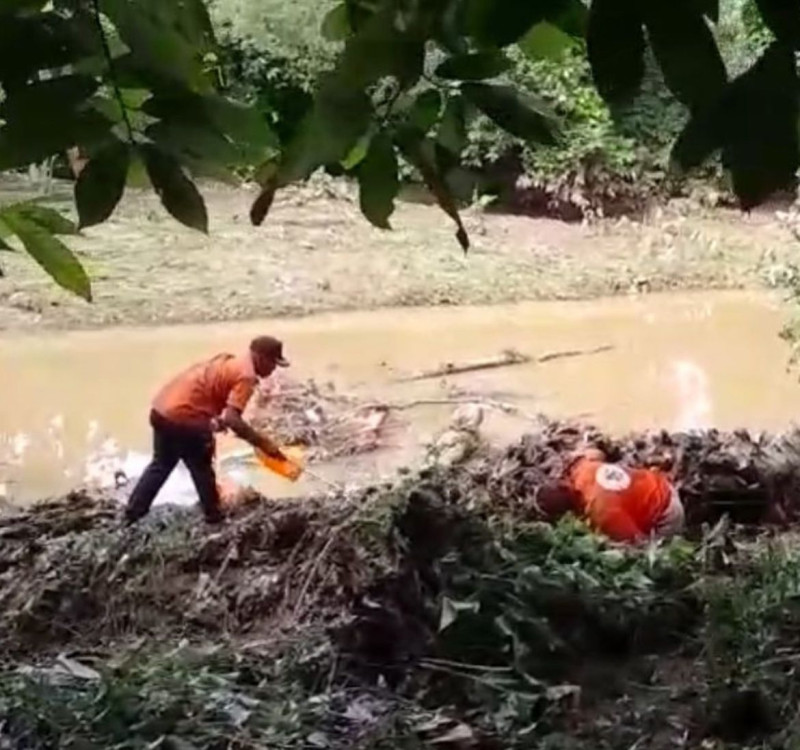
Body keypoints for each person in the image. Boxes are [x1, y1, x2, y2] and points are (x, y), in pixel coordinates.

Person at [125, 336, 289, 524]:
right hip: (184, 417)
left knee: (161, 465)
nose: (274, 369)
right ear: (261, 358)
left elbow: (210, 396)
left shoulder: (228, 361)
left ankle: (132, 514)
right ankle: (214, 517)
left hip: (162, 410)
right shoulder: (247, 376)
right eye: (273, 364)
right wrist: (264, 444)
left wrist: (215, 421)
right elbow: (233, 420)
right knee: (201, 464)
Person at [532, 447, 685, 544]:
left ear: (568, 513)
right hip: (660, 483)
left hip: (667, 514)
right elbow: (595, 452)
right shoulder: (581, 468)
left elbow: (638, 544)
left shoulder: (602, 514)